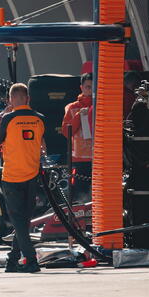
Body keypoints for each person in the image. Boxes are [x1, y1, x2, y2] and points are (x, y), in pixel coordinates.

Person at [0, 84, 46, 274]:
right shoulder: (40, 119)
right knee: (23, 221)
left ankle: (31, 260)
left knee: (19, 222)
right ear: (28, 99)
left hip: (12, 177)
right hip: (32, 176)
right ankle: (12, 261)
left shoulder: (8, 119)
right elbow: (44, 147)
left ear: (10, 100)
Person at [61, 73, 94, 202]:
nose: (90, 90)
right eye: (88, 87)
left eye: (93, 87)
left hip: (100, 158)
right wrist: (78, 117)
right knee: (80, 197)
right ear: (81, 87)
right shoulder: (72, 107)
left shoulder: (102, 106)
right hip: (80, 160)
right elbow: (65, 132)